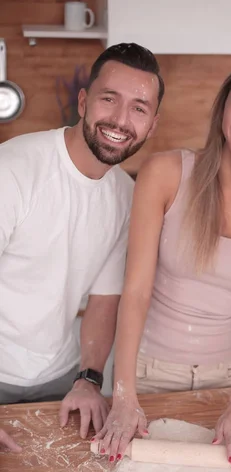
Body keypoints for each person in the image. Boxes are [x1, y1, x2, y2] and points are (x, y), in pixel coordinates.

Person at [94, 56, 231, 465]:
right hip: (148, 371)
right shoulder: (166, 173)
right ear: (223, 109)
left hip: (229, 379)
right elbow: (137, 290)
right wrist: (125, 393)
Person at [0, 42, 164, 440]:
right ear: (84, 101)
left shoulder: (127, 197)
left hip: (61, 378)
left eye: (138, 108)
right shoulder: (15, 169)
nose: (121, 120)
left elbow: (105, 301)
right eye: (110, 99)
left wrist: (89, 379)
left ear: (152, 125)